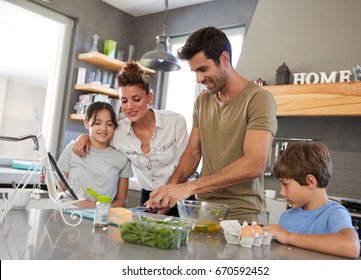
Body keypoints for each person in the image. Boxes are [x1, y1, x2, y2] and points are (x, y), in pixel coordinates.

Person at [145, 26, 278, 224]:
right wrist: (170, 190)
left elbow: (254, 164)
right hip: (204, 211)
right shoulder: (203, 100)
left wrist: (190, 187)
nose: (199, 78)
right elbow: (192, 153)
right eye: (195, 71)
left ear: (224, 59)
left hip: (241, 215)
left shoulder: (258, 99)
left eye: (203, 69)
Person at [72, 61, 190, 215]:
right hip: (149, 200)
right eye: (124, 101)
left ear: (149, 97)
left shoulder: (174, 122)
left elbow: (186, 166)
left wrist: (164, 209)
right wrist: (83, 137)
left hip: (180, 196)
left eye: (136, 99)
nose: (130, 107)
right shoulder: (118, 132)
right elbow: (98, 138)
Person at [263, 142, 360, 259]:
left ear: (310, 181)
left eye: (286, 185)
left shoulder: (334, 213)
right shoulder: (287, 216)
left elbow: (351, 246)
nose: (282, 192)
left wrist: (289, 237)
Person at [58, 101, 132, 208]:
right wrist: (80, 202)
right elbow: (61, 191)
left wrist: (102, 209)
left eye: (109, 124)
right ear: (86, 123)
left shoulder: (122, 157)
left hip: (101, 220)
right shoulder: (73, 149)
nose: (104, 128)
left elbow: (122, 200)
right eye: (98, 123)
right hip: (70, 217)